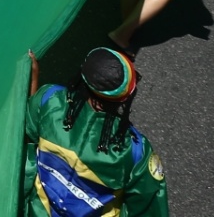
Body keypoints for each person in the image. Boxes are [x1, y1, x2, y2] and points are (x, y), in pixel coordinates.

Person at [23, 48, 168, 216]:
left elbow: (24, 139)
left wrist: (32, 79)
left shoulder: (48, 100)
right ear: (125, 98)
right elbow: (149, 208)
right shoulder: (136, 152)